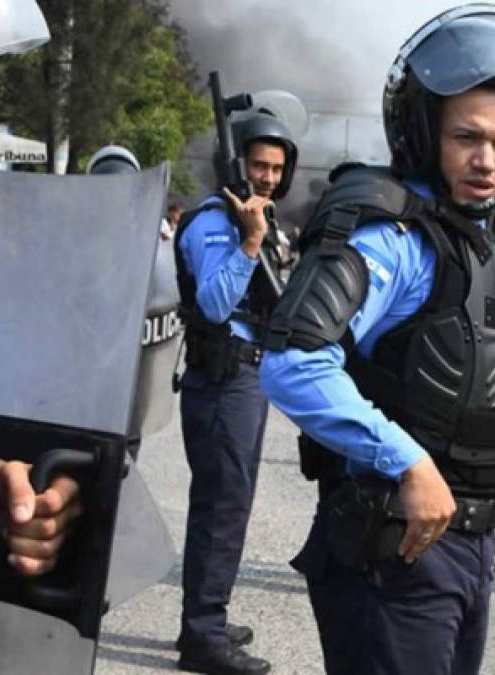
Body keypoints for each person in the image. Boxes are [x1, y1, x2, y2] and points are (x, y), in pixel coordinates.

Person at [259, 6, 495, 673]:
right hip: (393, 547)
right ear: (426, 130)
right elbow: (292, 361)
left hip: (470, 547)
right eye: (468, 137)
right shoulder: (391, 236)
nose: (487, 161)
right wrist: (407, 461)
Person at [173, 107, 299, 675]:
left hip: (248, 377)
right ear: (236, 164)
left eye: (276, 168)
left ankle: (207, 620)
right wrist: (250, 244)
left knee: (231, 504)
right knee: (221, 509)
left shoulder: (260, 218)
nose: (268, 177)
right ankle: (202, 635)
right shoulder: (211, 222)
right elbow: (215, 305)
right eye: (258, 165)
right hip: (222, 380)